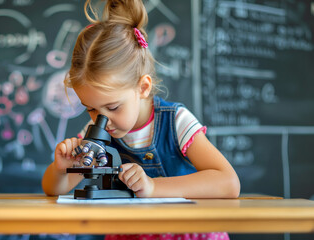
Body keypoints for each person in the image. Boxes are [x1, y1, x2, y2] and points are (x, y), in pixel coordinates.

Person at [42, 0, 240, 239]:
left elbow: (228, 183)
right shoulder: (96, 133)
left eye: (113, 107)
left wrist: (154, 187)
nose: (102, 121)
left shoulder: (176, 121)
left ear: (143, 87)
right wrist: (61, 170)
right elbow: (53, 190)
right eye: (91, 109)